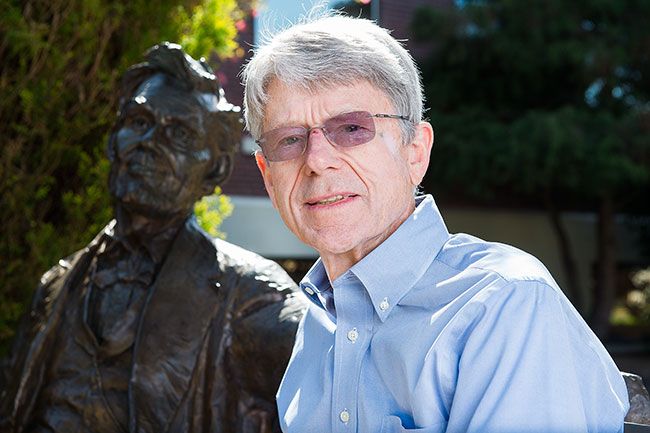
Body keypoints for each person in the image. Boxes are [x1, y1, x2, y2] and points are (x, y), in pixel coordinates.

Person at [242, 14, 630, 433]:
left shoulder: (503, 307)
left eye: (352, 128)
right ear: (267, 173)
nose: (317, 160)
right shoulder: (317, 326)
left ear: (415, 152)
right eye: (290, 140)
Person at [0, 42, 304, 433]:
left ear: (215, 169)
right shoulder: (55, 287)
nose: (149, 143)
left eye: (178, 134)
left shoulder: (249, 296)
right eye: (139, 122)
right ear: (114, 141)